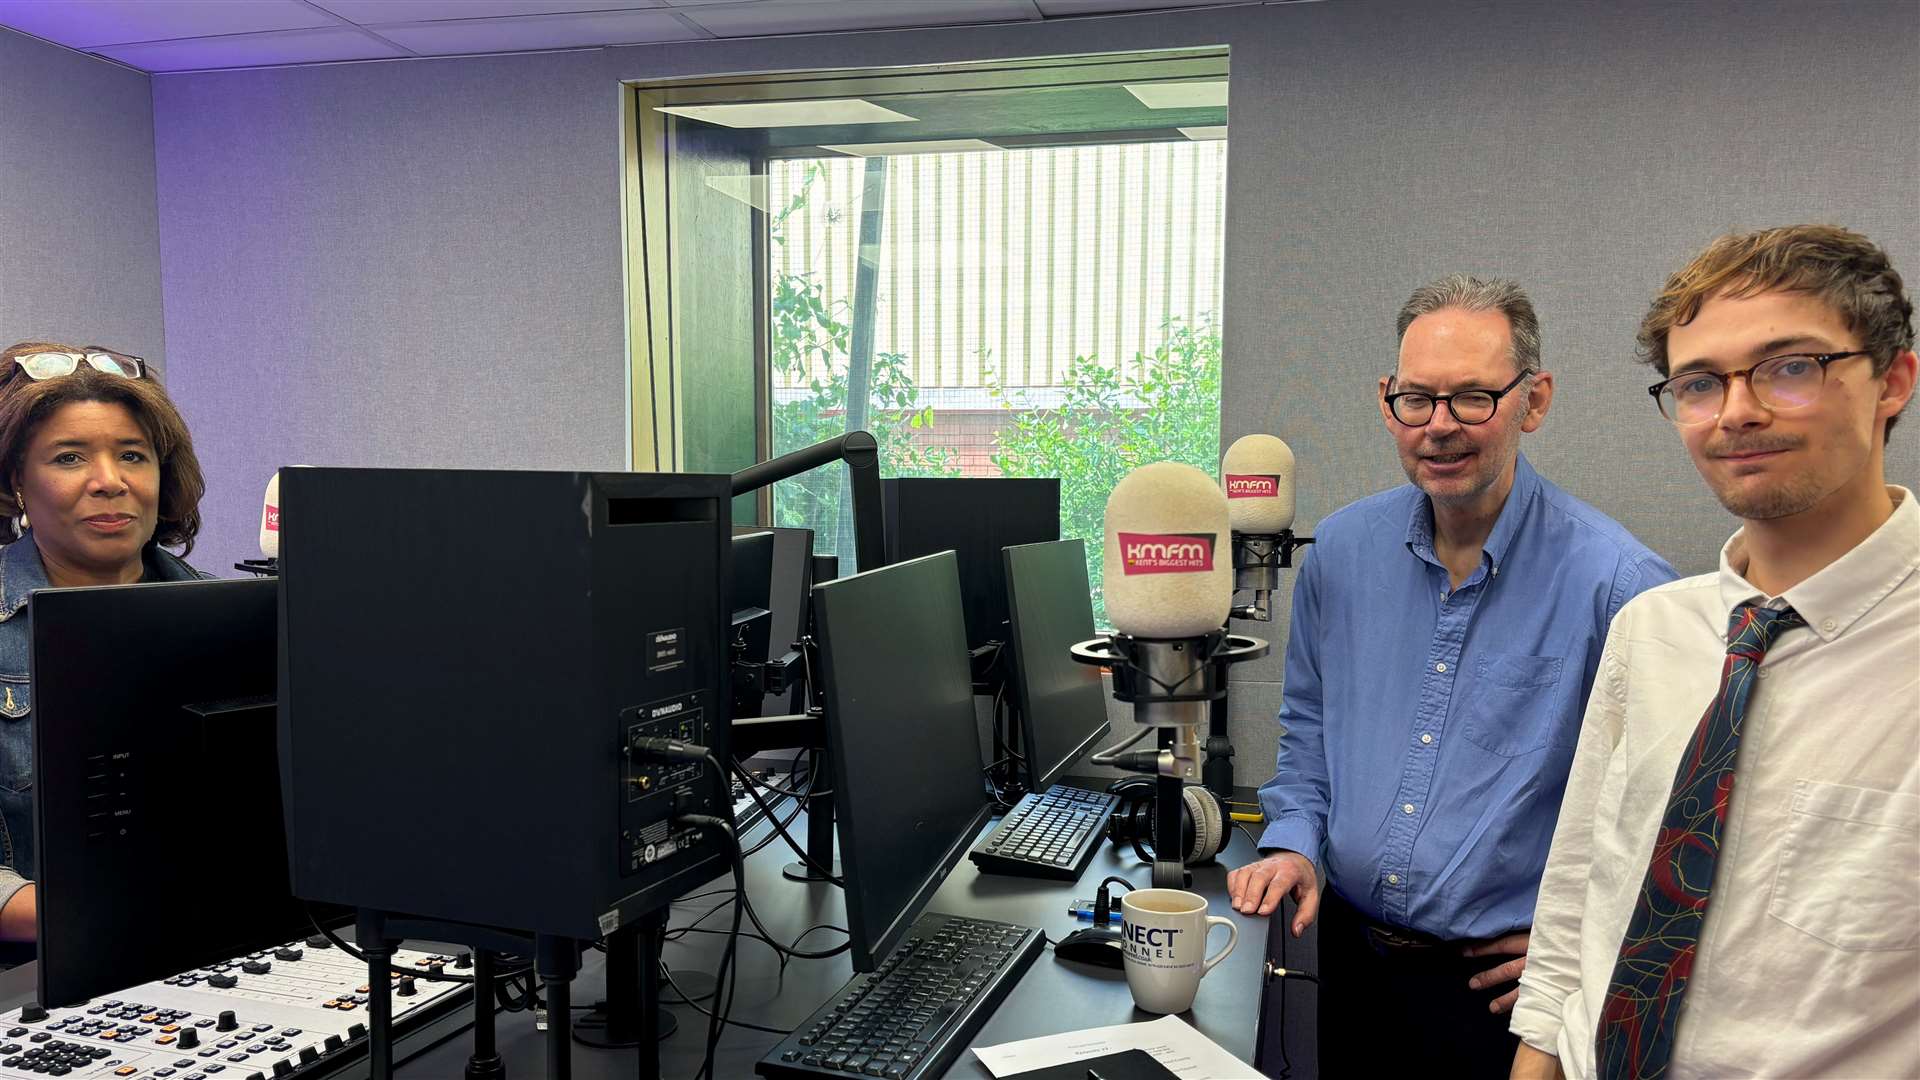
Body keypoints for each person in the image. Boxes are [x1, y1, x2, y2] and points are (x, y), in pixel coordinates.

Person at [1228, 275, 1676, 1073]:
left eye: (1473, 398)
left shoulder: (1622, 588)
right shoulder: (1341, 553)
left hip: (1502, 997)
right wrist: (1295, 842)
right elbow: (1308, 732)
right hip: (1354, 963)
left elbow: (1666, 814)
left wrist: (1590, 943)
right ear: (1385, 399)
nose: (1440, 427)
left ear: (1534, 401)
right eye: (1417, 399)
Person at [1510, 225, 1918, 1079]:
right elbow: (1581, 892)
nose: (1736, 411)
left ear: (1893, 381)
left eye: (1789, 367)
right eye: (1700, 383)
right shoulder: (1653, 629)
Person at [0, 341, 208, 944]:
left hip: (214, 947)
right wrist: (109, 911)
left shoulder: (237, 621)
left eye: (133, 456)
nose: (110, 482)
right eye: (69, 458)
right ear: (16, 480)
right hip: (36, 970)